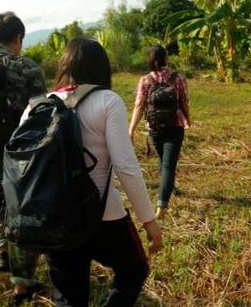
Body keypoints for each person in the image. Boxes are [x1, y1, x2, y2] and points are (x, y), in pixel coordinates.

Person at [20, 37, 163, 306]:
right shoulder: (108, 101)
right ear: (101, 68)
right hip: (103, 214)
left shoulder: (35, 107)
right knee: (134, 269)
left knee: (69, 296)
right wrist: (149, 220)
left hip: (54, 218)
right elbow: (126, 167)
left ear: (64, 66)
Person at [0, 12, 45, 302]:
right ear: (18, 38)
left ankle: (1, 247)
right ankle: (22, 283)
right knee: (21, 213)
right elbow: (41, 115)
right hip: (16, 157)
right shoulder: (27, 68)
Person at [129, 46, 191, 219]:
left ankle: (169, 188)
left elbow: (139, 105)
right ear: (166, 58)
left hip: (154, 128)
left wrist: (131, 129)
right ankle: (162, 205)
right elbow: (184, 101)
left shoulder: (146, 80)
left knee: (163, 160)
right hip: (175, 126)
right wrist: (188, 118)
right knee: (169, 165)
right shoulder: (178, 78)